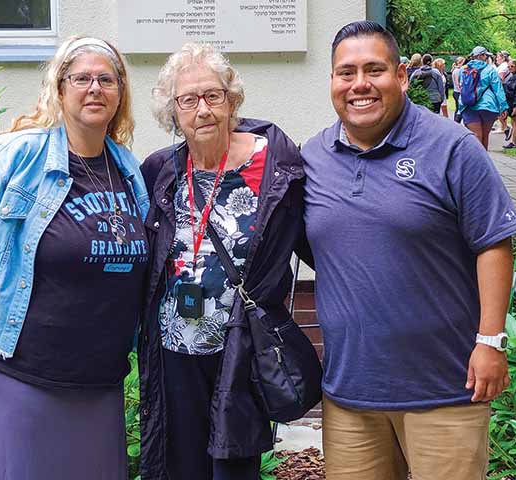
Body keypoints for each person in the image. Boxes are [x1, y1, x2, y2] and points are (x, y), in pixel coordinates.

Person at [302, 21, 516, 479]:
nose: (359, 84)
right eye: (346, 72)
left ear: (401, 76)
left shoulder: (452, 148)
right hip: (350, 394)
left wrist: (491, 341)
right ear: (331, 81)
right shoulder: (313, 159)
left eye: (374, 70)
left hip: (443, 388)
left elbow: (494, 244)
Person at [0, 36, 149, 480]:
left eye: (106, 79)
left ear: (120, 92)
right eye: (81, 78)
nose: (94, 89)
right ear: (59, 87)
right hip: (20, 380)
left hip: (99, 385)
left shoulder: (126, 168)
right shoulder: (13, 157)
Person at [139, 43, 307, 480]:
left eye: (213, 95)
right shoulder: (161, 169)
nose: (203, 109)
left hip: (242, 345)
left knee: (234, 463)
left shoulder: (274, 165)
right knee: (183, 462)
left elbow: (316, 238)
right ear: (172, 111)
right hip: (176, 347)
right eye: (188, 99)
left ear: (232, 99)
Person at [458, 46, 509, 149]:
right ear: (483, 56)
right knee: (484, 137)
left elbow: (461, 87)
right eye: (486, 55)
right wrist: (503, 106)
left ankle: (475, 163)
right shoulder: (490, 69)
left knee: (476, 136)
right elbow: (498, 89)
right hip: (488, 106)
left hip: (468, 105)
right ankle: (482, 163)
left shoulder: (463, 70)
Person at [495, 51, 511, 140]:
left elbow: (500, 79)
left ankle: (504, 127)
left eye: (498, 57)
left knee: (500, 108)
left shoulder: (503, 67)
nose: (496, 59)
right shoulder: (504, 65)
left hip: (501, 90)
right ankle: (503, 126)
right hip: (503, 89)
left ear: (503, 58)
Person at [451, 56, 465, 122]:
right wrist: (461, 90)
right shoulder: (457, 71)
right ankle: (457, 122)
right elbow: (457, 82)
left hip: (456, 91)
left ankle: (456, 122)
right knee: (459, 109)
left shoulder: (456, 70)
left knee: (458, 108)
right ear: (460, 62)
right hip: (457, 92)